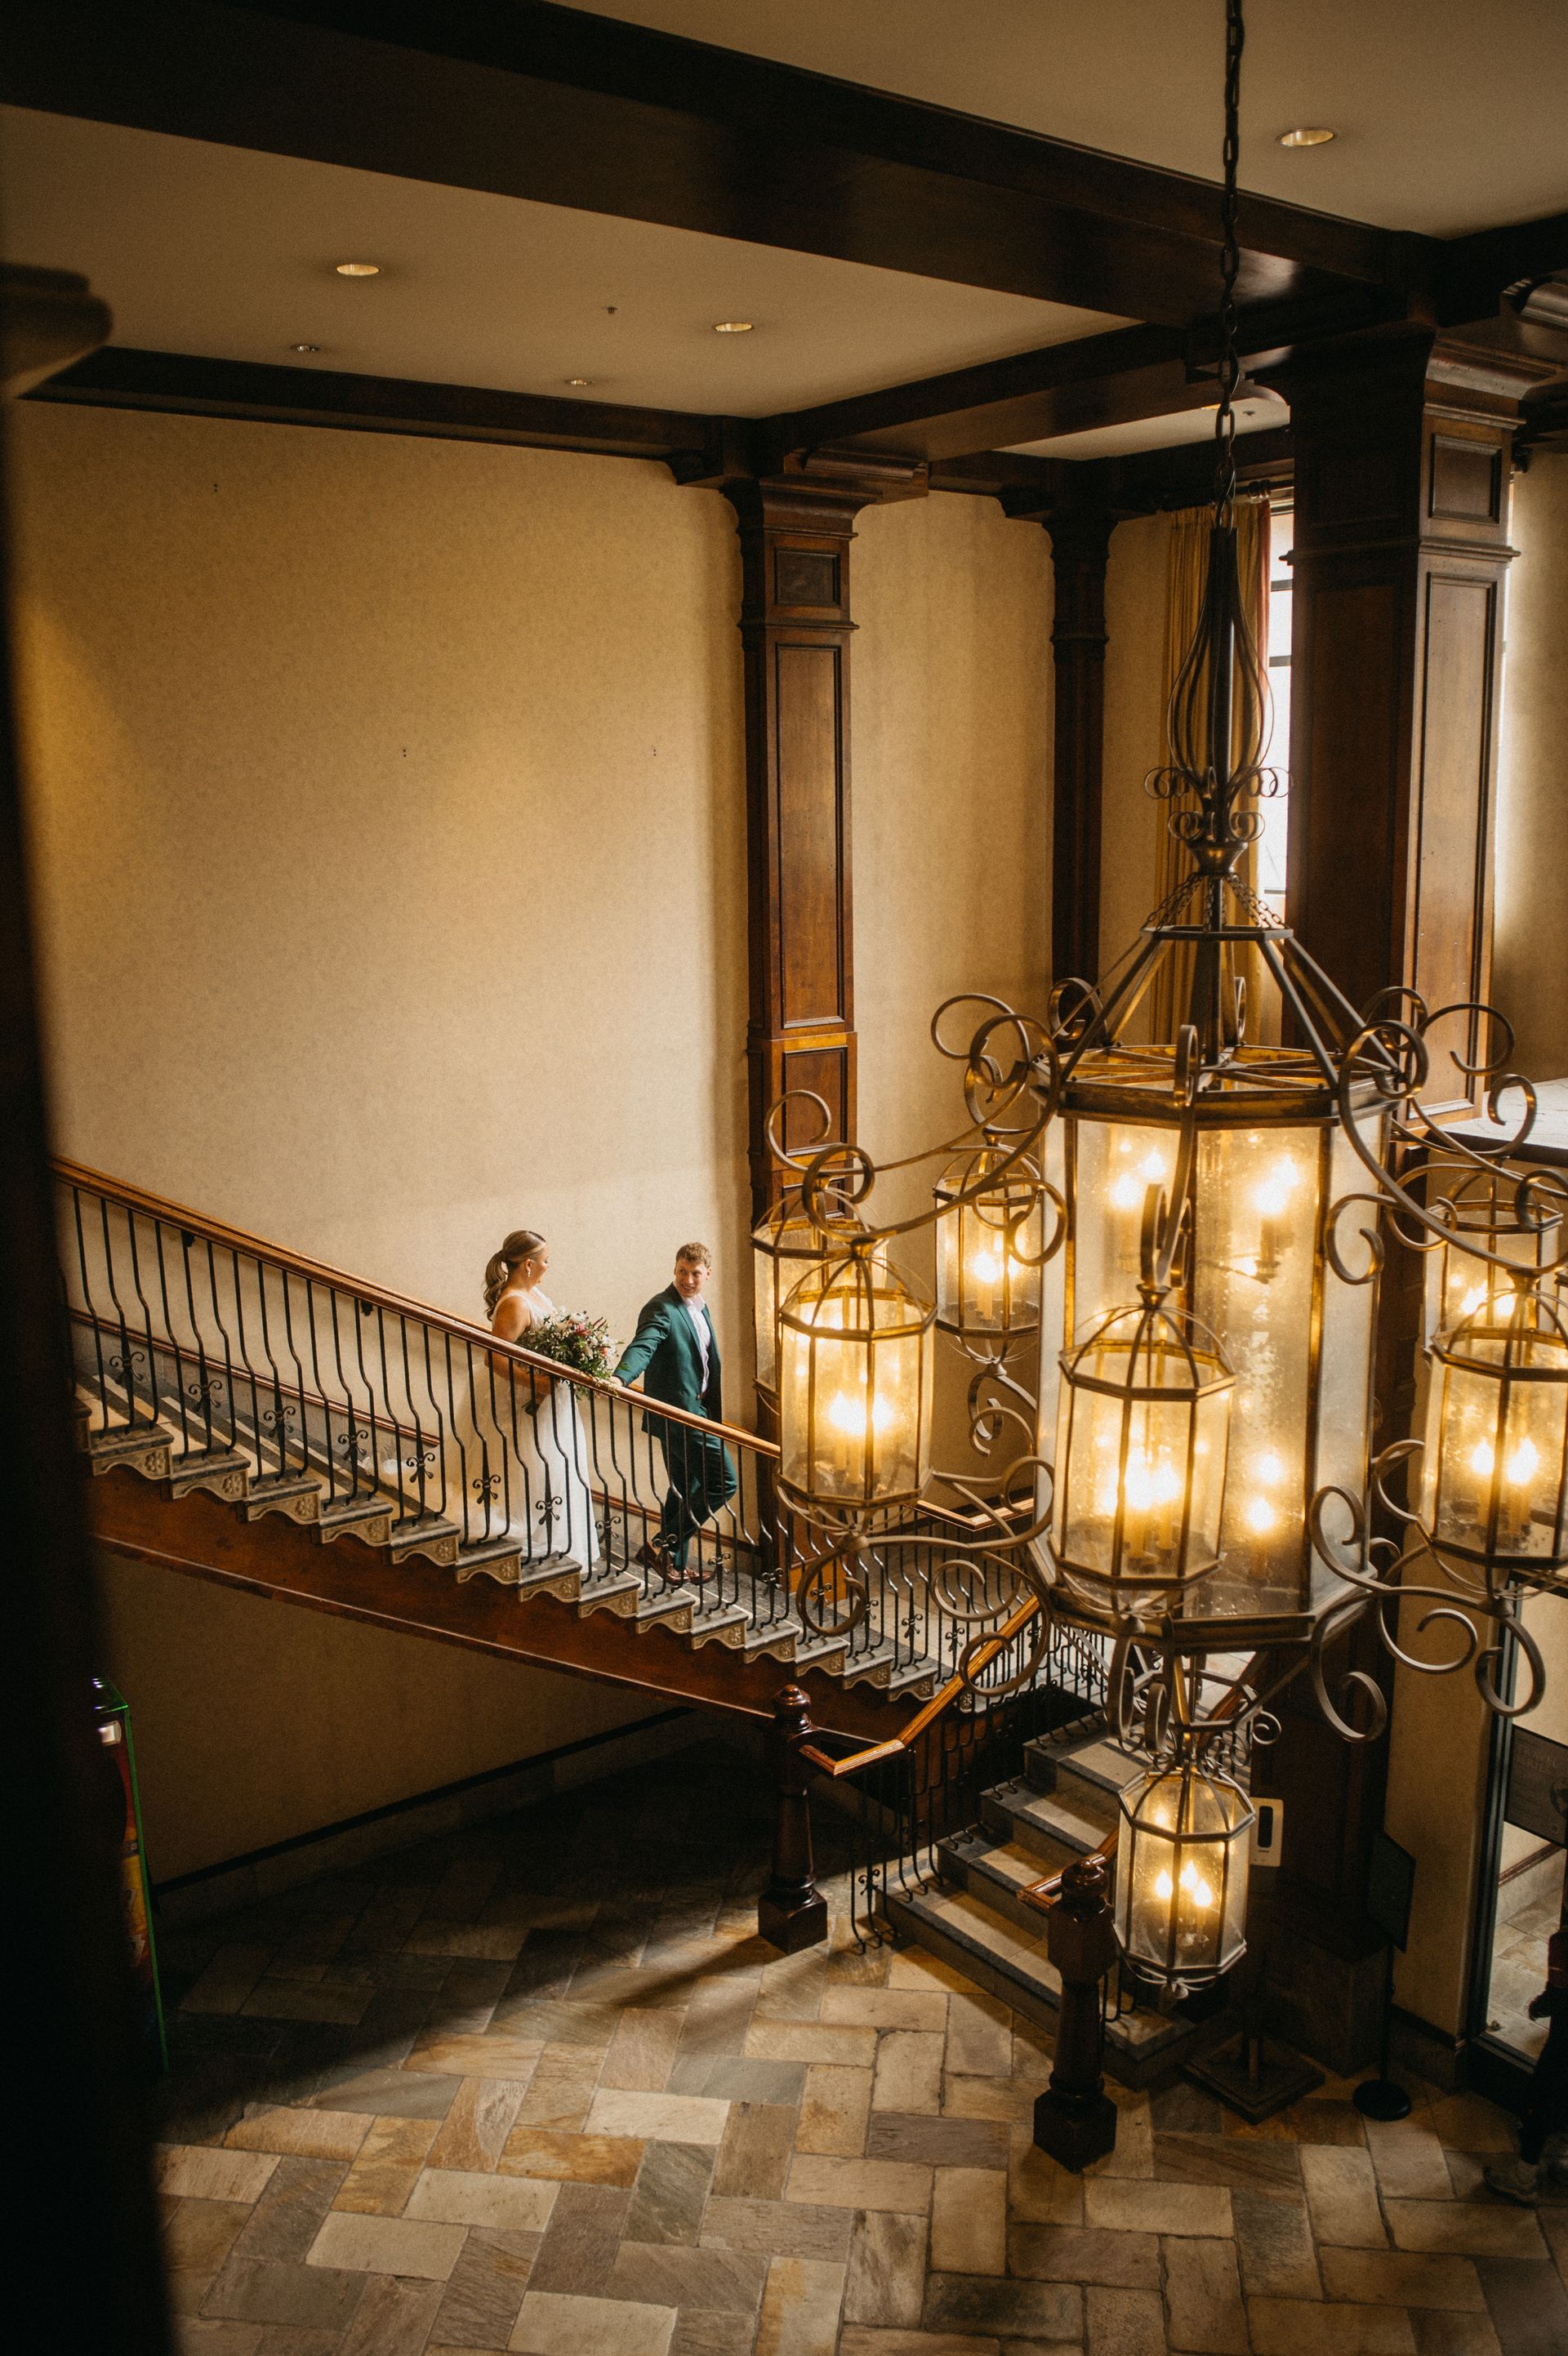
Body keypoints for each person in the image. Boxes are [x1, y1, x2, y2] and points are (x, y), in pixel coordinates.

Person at [464, 1228, 600, 1568]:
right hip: (522, 1398)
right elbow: (493, 1359)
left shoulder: (534, 1293)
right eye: (545, 1261)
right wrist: (538, 1384)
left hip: (548, 1396)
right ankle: (522, 1531)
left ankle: (553, 1534)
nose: (547, 1266)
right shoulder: (514, 1303)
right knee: (528, 1460)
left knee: (553, 1460)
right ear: (527, 1264)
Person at [613, 1241, 737, 1582]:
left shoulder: (700, 1307)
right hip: (679, 1415)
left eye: (695, 1274)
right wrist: (621, 1377)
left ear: (706, 1274)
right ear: (675, 1269)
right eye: (682, 1271)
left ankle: (671, 1561)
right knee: (725, 1482)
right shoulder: (662, 1308)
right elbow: (645, 1344)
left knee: (685, 1486)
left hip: (698, 1410)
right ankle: (662, 1545)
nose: (688, 1279)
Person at [1485, 1922, 1568, 2203]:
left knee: (1543, 2096)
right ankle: (1563, 2156)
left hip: (1565, 2043)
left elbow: (1558, 1997)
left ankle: (1524, 2177)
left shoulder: (1564, 1943)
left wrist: (1539, 2006)